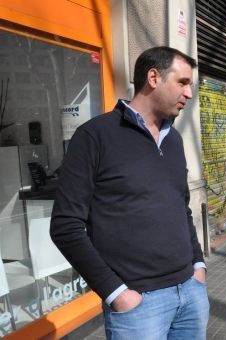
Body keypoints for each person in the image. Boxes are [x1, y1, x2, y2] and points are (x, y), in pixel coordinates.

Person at [50, 46, 208, 339]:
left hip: (190, 292)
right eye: (183, 82)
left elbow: (182, 207)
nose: (189, 93)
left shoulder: (173, 139)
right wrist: (117, 294)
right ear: (153, 78)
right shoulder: (94, 136)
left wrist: (198, 266)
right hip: (139, 306)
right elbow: (65, 227)